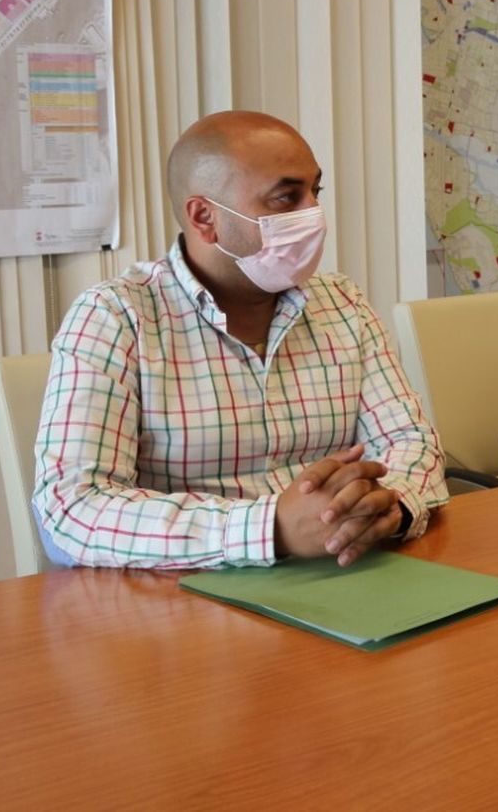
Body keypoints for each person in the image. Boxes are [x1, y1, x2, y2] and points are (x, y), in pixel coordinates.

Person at [34, 111, 446, 568]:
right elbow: (73, 508)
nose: (313, 214)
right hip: (184, 601)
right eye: (286, 198)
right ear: (205, 217)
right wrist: (271, 529)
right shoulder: (116, 318)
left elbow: (412, 442)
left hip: (343, 570)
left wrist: (386, 507)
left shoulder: (343, 303)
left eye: (316, 192)